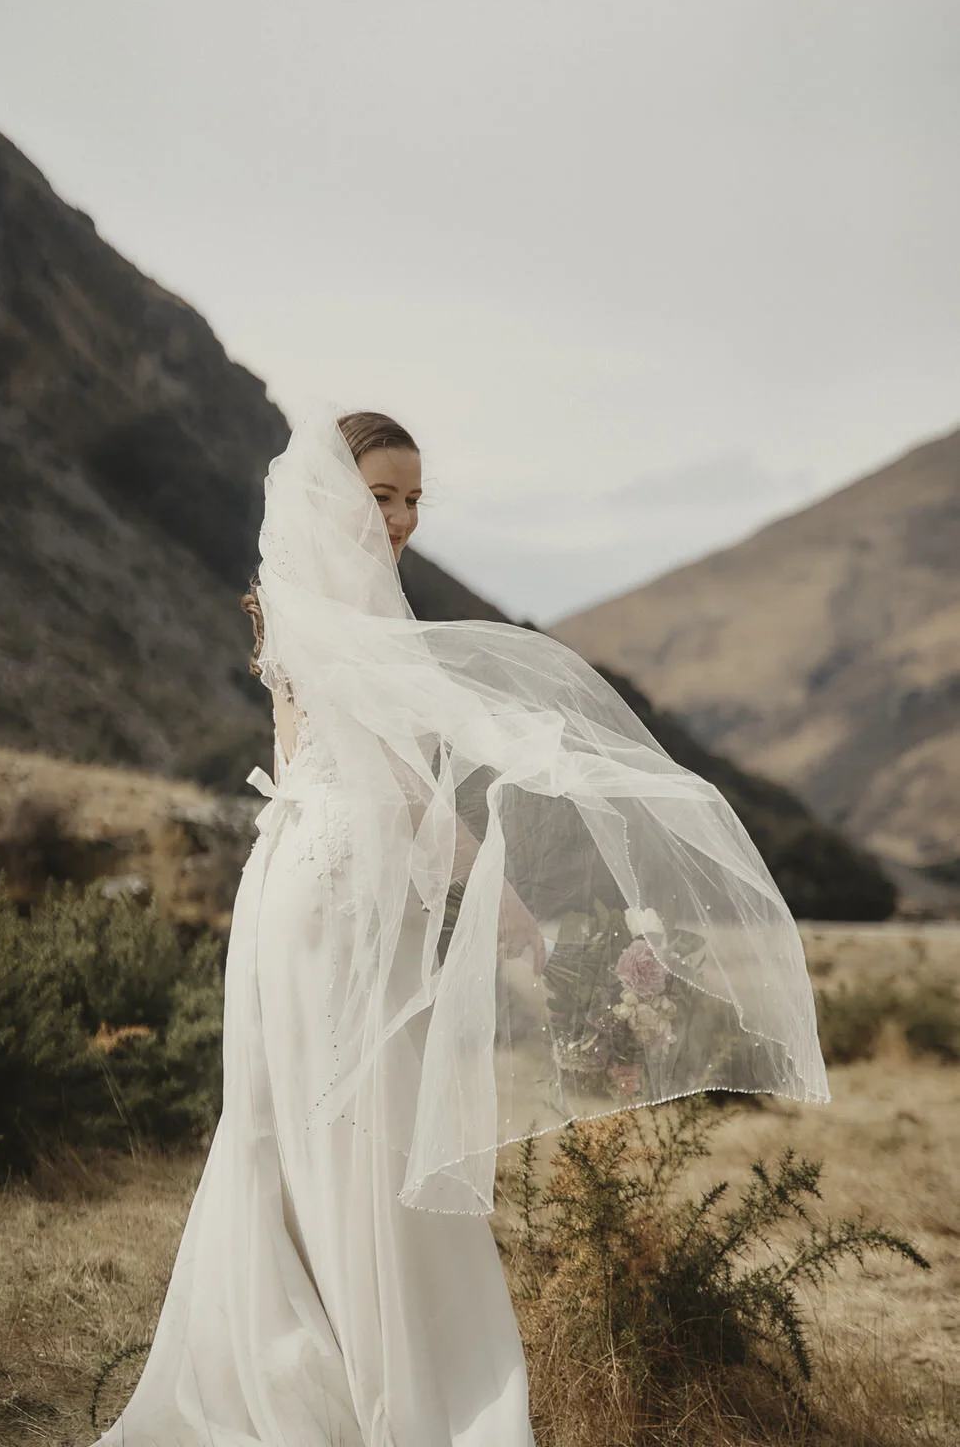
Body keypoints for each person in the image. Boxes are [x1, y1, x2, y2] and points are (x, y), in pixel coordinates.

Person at [93, 405, 828, 1446]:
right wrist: (509, 893)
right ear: (336, 496)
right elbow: (396, 788)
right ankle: (385, 1383)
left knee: (297, 1118)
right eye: (381, 496)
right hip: (344, 880)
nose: (399, 519)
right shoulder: (354, 616)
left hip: (288, 880)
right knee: (361, 1120)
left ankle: (288, 1362)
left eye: (412, 501)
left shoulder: (289, 600)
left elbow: (326, 762)